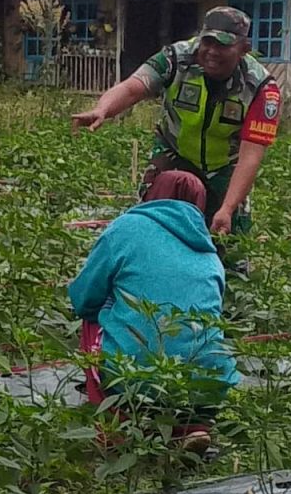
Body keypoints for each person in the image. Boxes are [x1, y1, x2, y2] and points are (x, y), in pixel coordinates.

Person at [70, 5, 279, 236]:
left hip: (225, 165)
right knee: (151, 224)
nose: (212, 51)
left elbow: (251, 156)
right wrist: (103, 108)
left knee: (228, 238)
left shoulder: (261, 88)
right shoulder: (176, 58)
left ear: (244, 49)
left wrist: (227, 209)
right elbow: (133, 87)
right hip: (173, 151)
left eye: (223, 45)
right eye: (207, 42)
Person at [69, 169, 239, 452]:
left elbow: (84, 295)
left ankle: (117, 425)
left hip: (135, 377)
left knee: (92, 318)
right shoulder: (209, 250)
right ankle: (192, 425)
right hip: (209, 384)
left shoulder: (127, 227)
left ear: (151, 193)